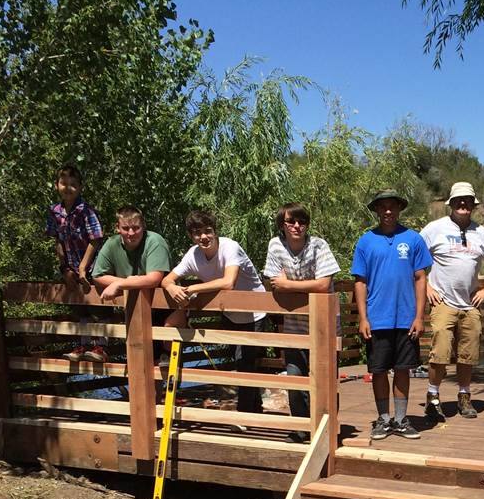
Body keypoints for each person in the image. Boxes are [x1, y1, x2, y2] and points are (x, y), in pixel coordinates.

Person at [162, 210, 268, 420]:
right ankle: (255, 410)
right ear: (191, 235)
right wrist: (172, 288)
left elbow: (228, 282)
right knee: (241, 363)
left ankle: (245, 415)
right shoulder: (193, 254)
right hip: (229, 313)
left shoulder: (230, 247)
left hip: (255, 312)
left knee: (245, 362)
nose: (203, 237)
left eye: (207, 231)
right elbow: (167, 279)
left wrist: (192, 289)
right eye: (197, 233)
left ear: (215, 231)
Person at [352, 189, 431, 441]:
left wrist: (419, 317)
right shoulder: (366, 241)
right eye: (383, 206)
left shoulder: (413, 239)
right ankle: (383, 419)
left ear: (399, 209)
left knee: (403, 369)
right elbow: (360, 281)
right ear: (376, 210)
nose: (388, 211)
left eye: (392, 206)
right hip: (377, 318)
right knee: (378, 370)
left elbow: (420, 278)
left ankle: (401, 419)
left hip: (406, 318)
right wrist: (363, 318)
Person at [420, 181, 484, 422]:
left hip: (470, 303)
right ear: (451, 203)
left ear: (473, 204)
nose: (463, 203)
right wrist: (427, 287)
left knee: (468, 353)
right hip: (443, 301)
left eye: (468, 200)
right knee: (440, 351)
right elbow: (414, 260)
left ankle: (464, 396)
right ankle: (433, 397)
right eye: (458, 200)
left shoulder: (481, 232)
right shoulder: (434, 229)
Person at [262, 202, 340, 433]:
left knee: (325, 381)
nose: (297, 226)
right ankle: (301, 428)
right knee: (295, 379)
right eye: (291, 221)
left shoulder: (319, 245)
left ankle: (327, 429)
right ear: (282, 225)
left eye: (302, 221)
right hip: (294, 326)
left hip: (324, 325)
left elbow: (324, 285)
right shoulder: (276, 245)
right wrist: (296, 286)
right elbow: (273, 285)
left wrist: (288, 285)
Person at [45, 164, 106, 362]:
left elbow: (95, 239)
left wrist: (83, 268)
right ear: (56, 185)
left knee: (98, 307)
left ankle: (100, 347)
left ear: (80, 187)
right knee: (79, 307)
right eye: (64, 183)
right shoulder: (54, 212)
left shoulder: (86, 211)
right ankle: (83, 344)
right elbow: (58, 241)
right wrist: (64, 268)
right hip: (70, 267)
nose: (68, 188)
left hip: (93, 267)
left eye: (73, 184)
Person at [91, 205, 172, 304]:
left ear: (144, 225)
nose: (131, 233)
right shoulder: (111, 244)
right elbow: (97, 277)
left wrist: (119, 284)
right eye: (125, 228)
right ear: (117, 228)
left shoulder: (155, 241)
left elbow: (154, 279)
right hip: (130, 304)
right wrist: (128, 283)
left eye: (136, 228)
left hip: (164, 304)